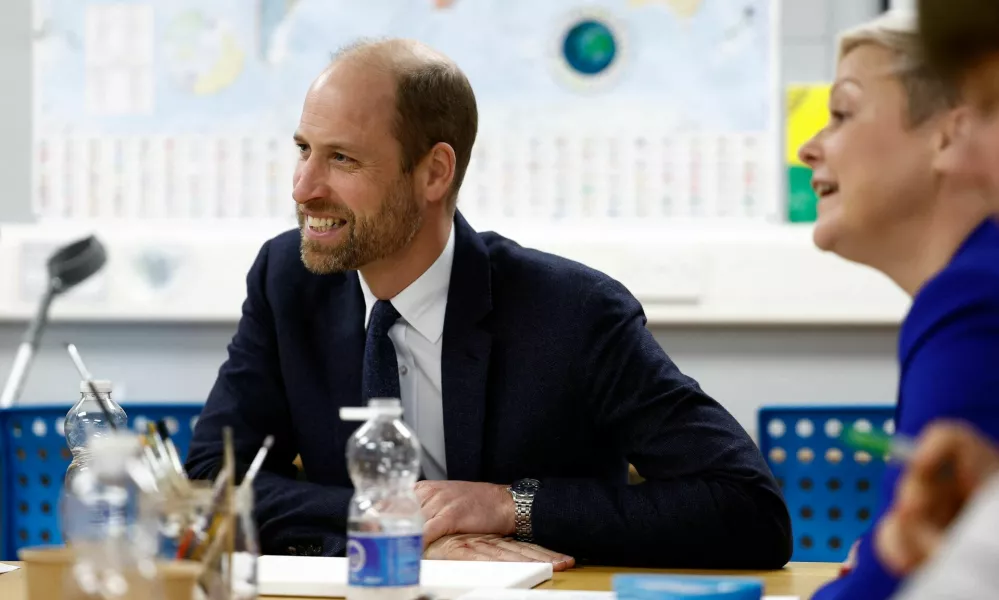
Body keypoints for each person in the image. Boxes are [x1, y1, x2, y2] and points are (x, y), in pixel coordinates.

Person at [185, 38, 792, 569]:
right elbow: (211, 477)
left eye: (341, 158)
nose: (303, 187)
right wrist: (406, 525)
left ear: (434, 173)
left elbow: (747, 507)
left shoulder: (575, 312)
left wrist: (508, 506)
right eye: (303, 149)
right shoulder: (285, 280)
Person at [797, 10, 999, 600]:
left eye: (841, 114)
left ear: (952, 133)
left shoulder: (972, 299)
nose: (810, 147)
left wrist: (882, 564)